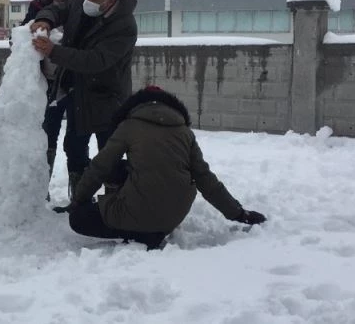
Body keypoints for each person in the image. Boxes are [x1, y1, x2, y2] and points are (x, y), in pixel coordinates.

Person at [59, 86, 267, 250]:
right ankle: (149, 225)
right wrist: (239, 213)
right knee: (124, 168)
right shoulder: (185, 133)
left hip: (138, 212)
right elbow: (205, 179)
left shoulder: (129, 126)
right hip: (172, 216)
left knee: (79, 218)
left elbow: (99, 167)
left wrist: (78, 201)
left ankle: (138, 232)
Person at [31, 0, 138, 199]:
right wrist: (46, 20)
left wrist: (54, 51)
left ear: (111, 1)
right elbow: (60, 10)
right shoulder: (83, 0)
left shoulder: (125, 25)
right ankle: (80, 201)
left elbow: (95, 60)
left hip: (107, 98)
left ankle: (114, 204)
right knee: (75, 147)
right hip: (78, 92)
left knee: (109, 153)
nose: (86, 0)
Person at [21, 0, 87, 200]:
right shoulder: (40, 3)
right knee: (45, 138)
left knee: (77, 140)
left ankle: (79, 196)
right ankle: (40, 192)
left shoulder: (87, 3)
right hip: (48, 85)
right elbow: (22, 36)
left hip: (78, 83)